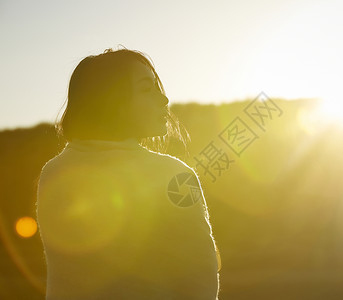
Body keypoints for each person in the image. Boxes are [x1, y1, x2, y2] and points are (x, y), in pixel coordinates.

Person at [36, 47, 220, 299]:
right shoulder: (171, 175)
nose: (163, 99)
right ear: (111, 100)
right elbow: (200, 282)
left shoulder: (54, 172)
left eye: (158, 87)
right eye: (146, 89)